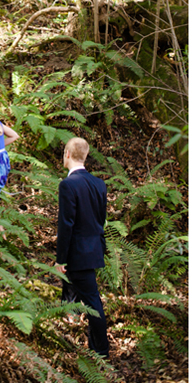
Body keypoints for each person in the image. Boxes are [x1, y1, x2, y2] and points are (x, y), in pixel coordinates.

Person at [55, 137, 109, 359]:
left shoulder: (68, 184)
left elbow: (66, 224)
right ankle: (78, 339)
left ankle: (101, 352)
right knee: (75, 296)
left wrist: (61, 259)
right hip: (94, 249)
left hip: (78, 253)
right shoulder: (99, 184)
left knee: (93, 303)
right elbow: (101, 220)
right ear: (85, 156)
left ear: (67, 154)